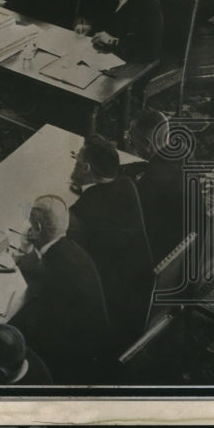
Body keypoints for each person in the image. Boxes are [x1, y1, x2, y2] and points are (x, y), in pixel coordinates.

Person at [11, 194, 111, 384]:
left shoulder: (53, 277)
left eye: (31, 225)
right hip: (96, 345)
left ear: (37, 229)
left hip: (73, 363)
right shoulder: (71, 248)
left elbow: (39, 322)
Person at [67, 134, 155, 348]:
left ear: (86, 168)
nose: (74, 165)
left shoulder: (82, 213)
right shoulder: (126, 184)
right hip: (142, 293)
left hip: (111, 310)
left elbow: (70, 262)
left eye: (77, 160)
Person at [125, 110, 200, 263]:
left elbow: (131, 217)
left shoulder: (151, 183)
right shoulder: (183, 150)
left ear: (147, 143)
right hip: (192, 235)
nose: (133, 147)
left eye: (132, 142)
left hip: (169, 257)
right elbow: (159, 167)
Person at [77, 0, 164, 63]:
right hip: (100, 54)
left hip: (129, 63)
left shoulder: (149, 6)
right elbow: (97, 16)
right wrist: (86, 26)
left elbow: (151, 50)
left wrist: (113, 41)